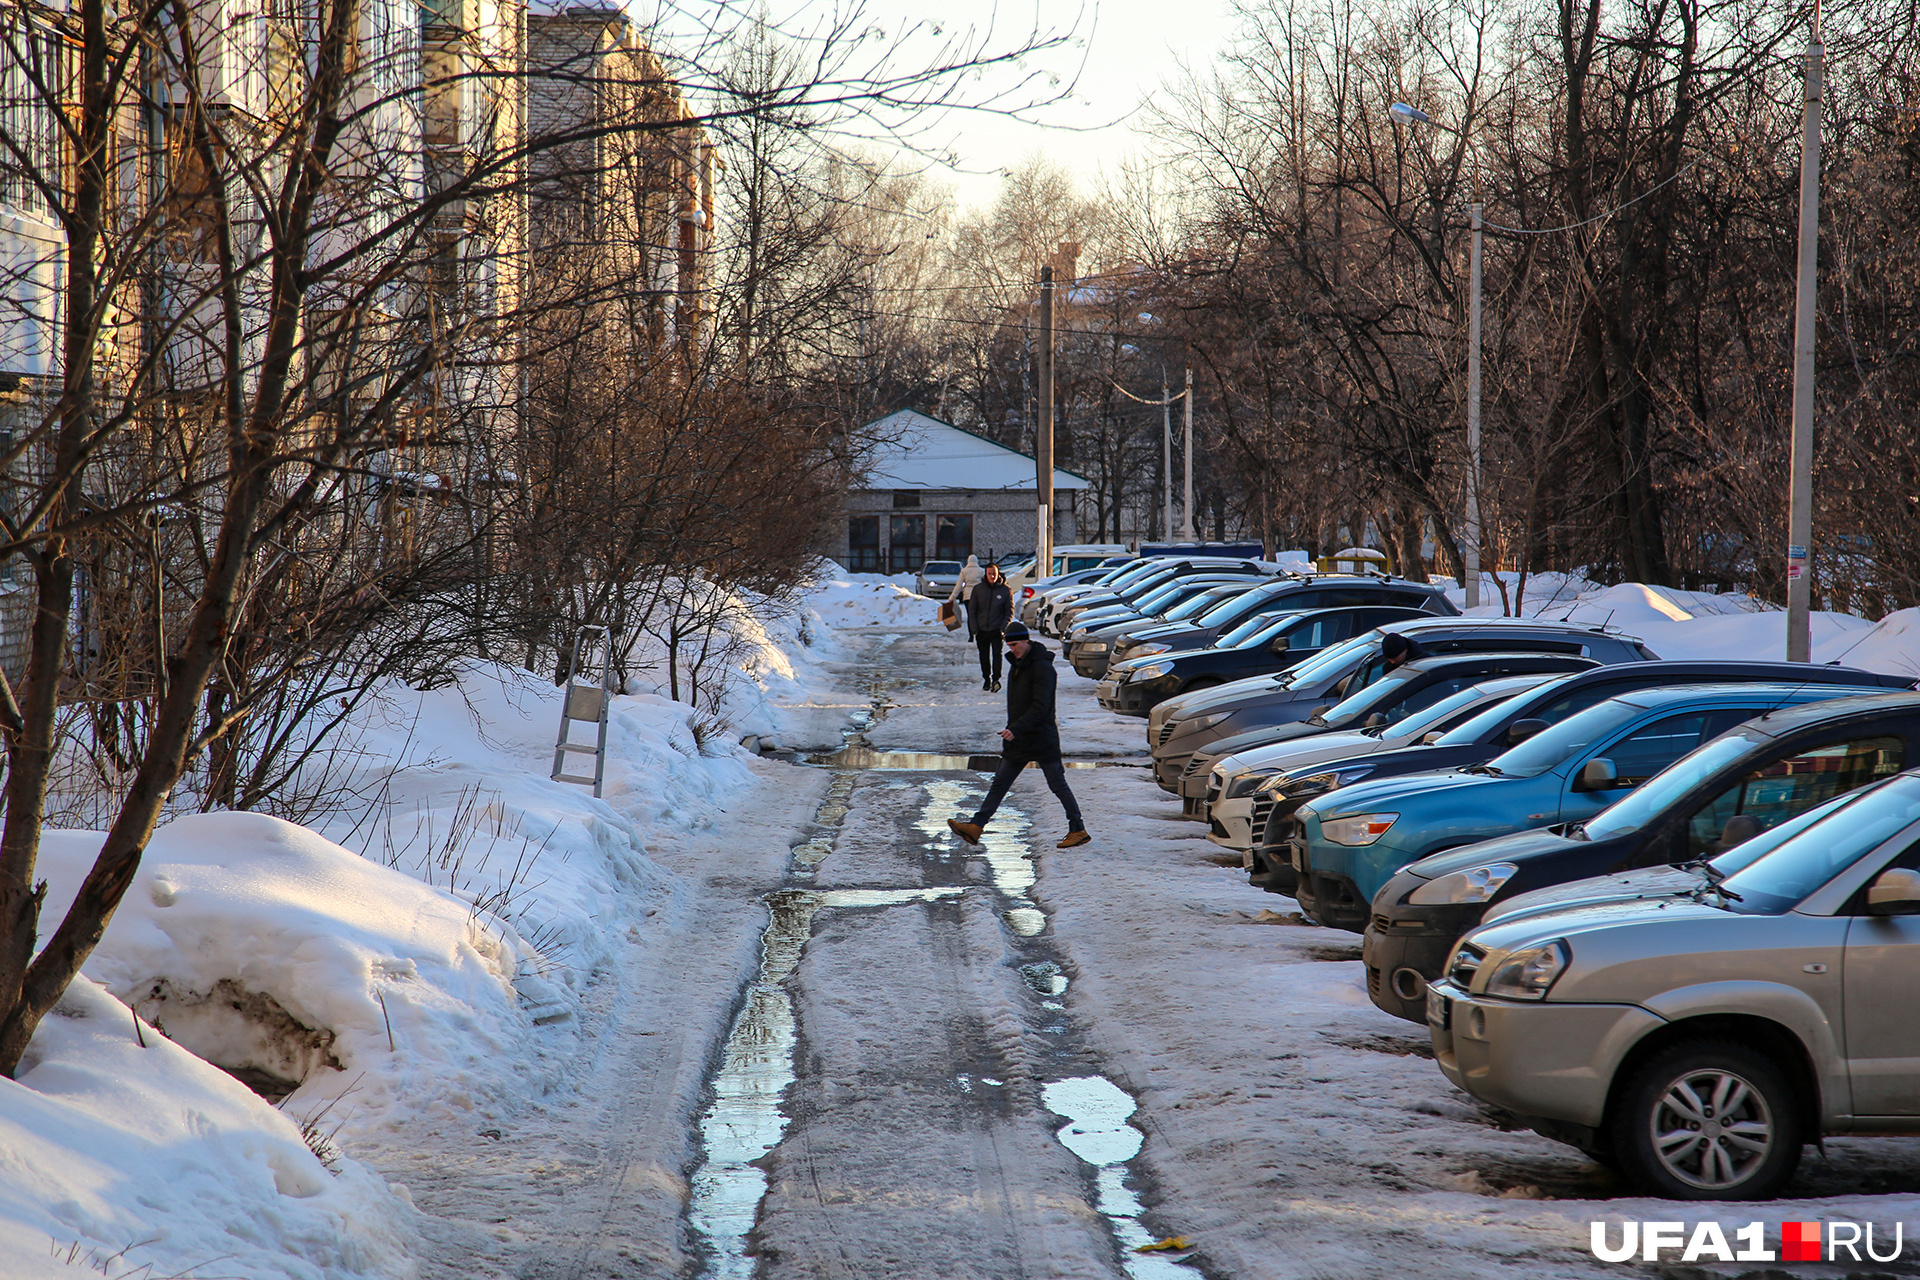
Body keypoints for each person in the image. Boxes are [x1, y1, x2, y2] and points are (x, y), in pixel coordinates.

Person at [948, 621, 1090, 849]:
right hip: (1019, 738)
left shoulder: (1043, 668)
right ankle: (976, 826)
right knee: (1000, 783)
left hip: (1041, 737)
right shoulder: (1017, 665)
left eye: (1015, 644)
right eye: (1009, 645)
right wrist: (1013, 728)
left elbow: (1041, 707)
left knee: (1057, 785)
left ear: (1026, 640)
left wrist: (1016, 728)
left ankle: (1078, 829)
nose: (1012, 649)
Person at [967, 562, 1013, 692]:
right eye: (989, 574)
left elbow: (1009, 611)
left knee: (997, 655)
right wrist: (974, 629)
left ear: (998, 574)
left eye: (994, 574)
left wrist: (1003, 627)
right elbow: (972, 610)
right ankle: (986, 679)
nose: (992, 576)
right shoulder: (978, 589)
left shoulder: (1005, 590)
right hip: (981, 629)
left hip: (997, 629)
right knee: (984, 656)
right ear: (985, 574)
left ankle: (996, 680)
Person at [947, 554, 984, 637]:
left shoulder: (964, 571)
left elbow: (958, 585)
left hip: (968, 596)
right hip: (979, 595)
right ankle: (979, 633)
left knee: (970, 615)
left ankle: (971, 635)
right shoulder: (981, 571)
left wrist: (952, 597)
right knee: (978, 615)